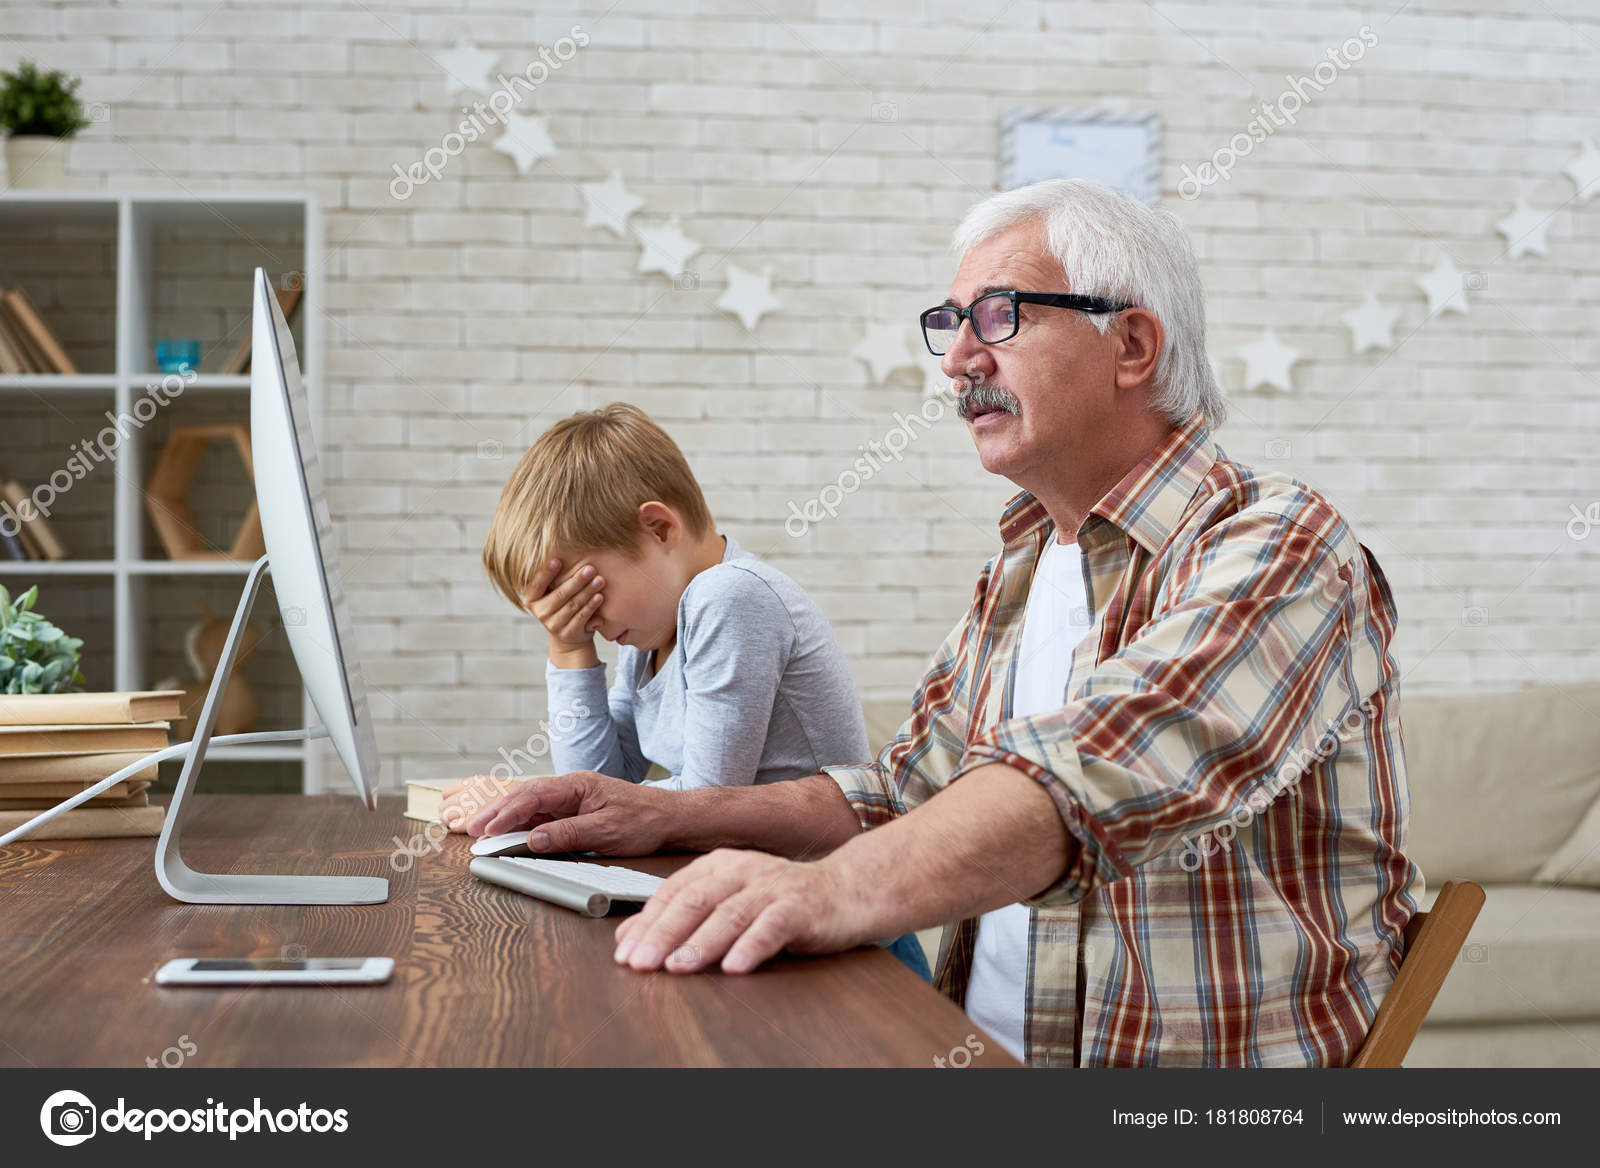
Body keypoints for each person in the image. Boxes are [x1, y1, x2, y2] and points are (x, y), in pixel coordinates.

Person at [452, 180, 1421, 1066]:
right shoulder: (1025, 565)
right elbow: (898, 787)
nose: (959, 356)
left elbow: (1090, 773)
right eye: (949, 323)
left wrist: (822, 891)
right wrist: (658, 811)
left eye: (999, 315)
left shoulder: (1283, 544)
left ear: (1131, 345)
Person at [449, 403, 930, 980]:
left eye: (584, 596)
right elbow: (611, 784)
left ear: (659, 529)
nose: (585, 620)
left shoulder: (729, 597)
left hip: (845, 948)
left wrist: (539, 811)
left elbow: (701, 802)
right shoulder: (651, 635)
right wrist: (569, 649)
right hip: (754, 920)